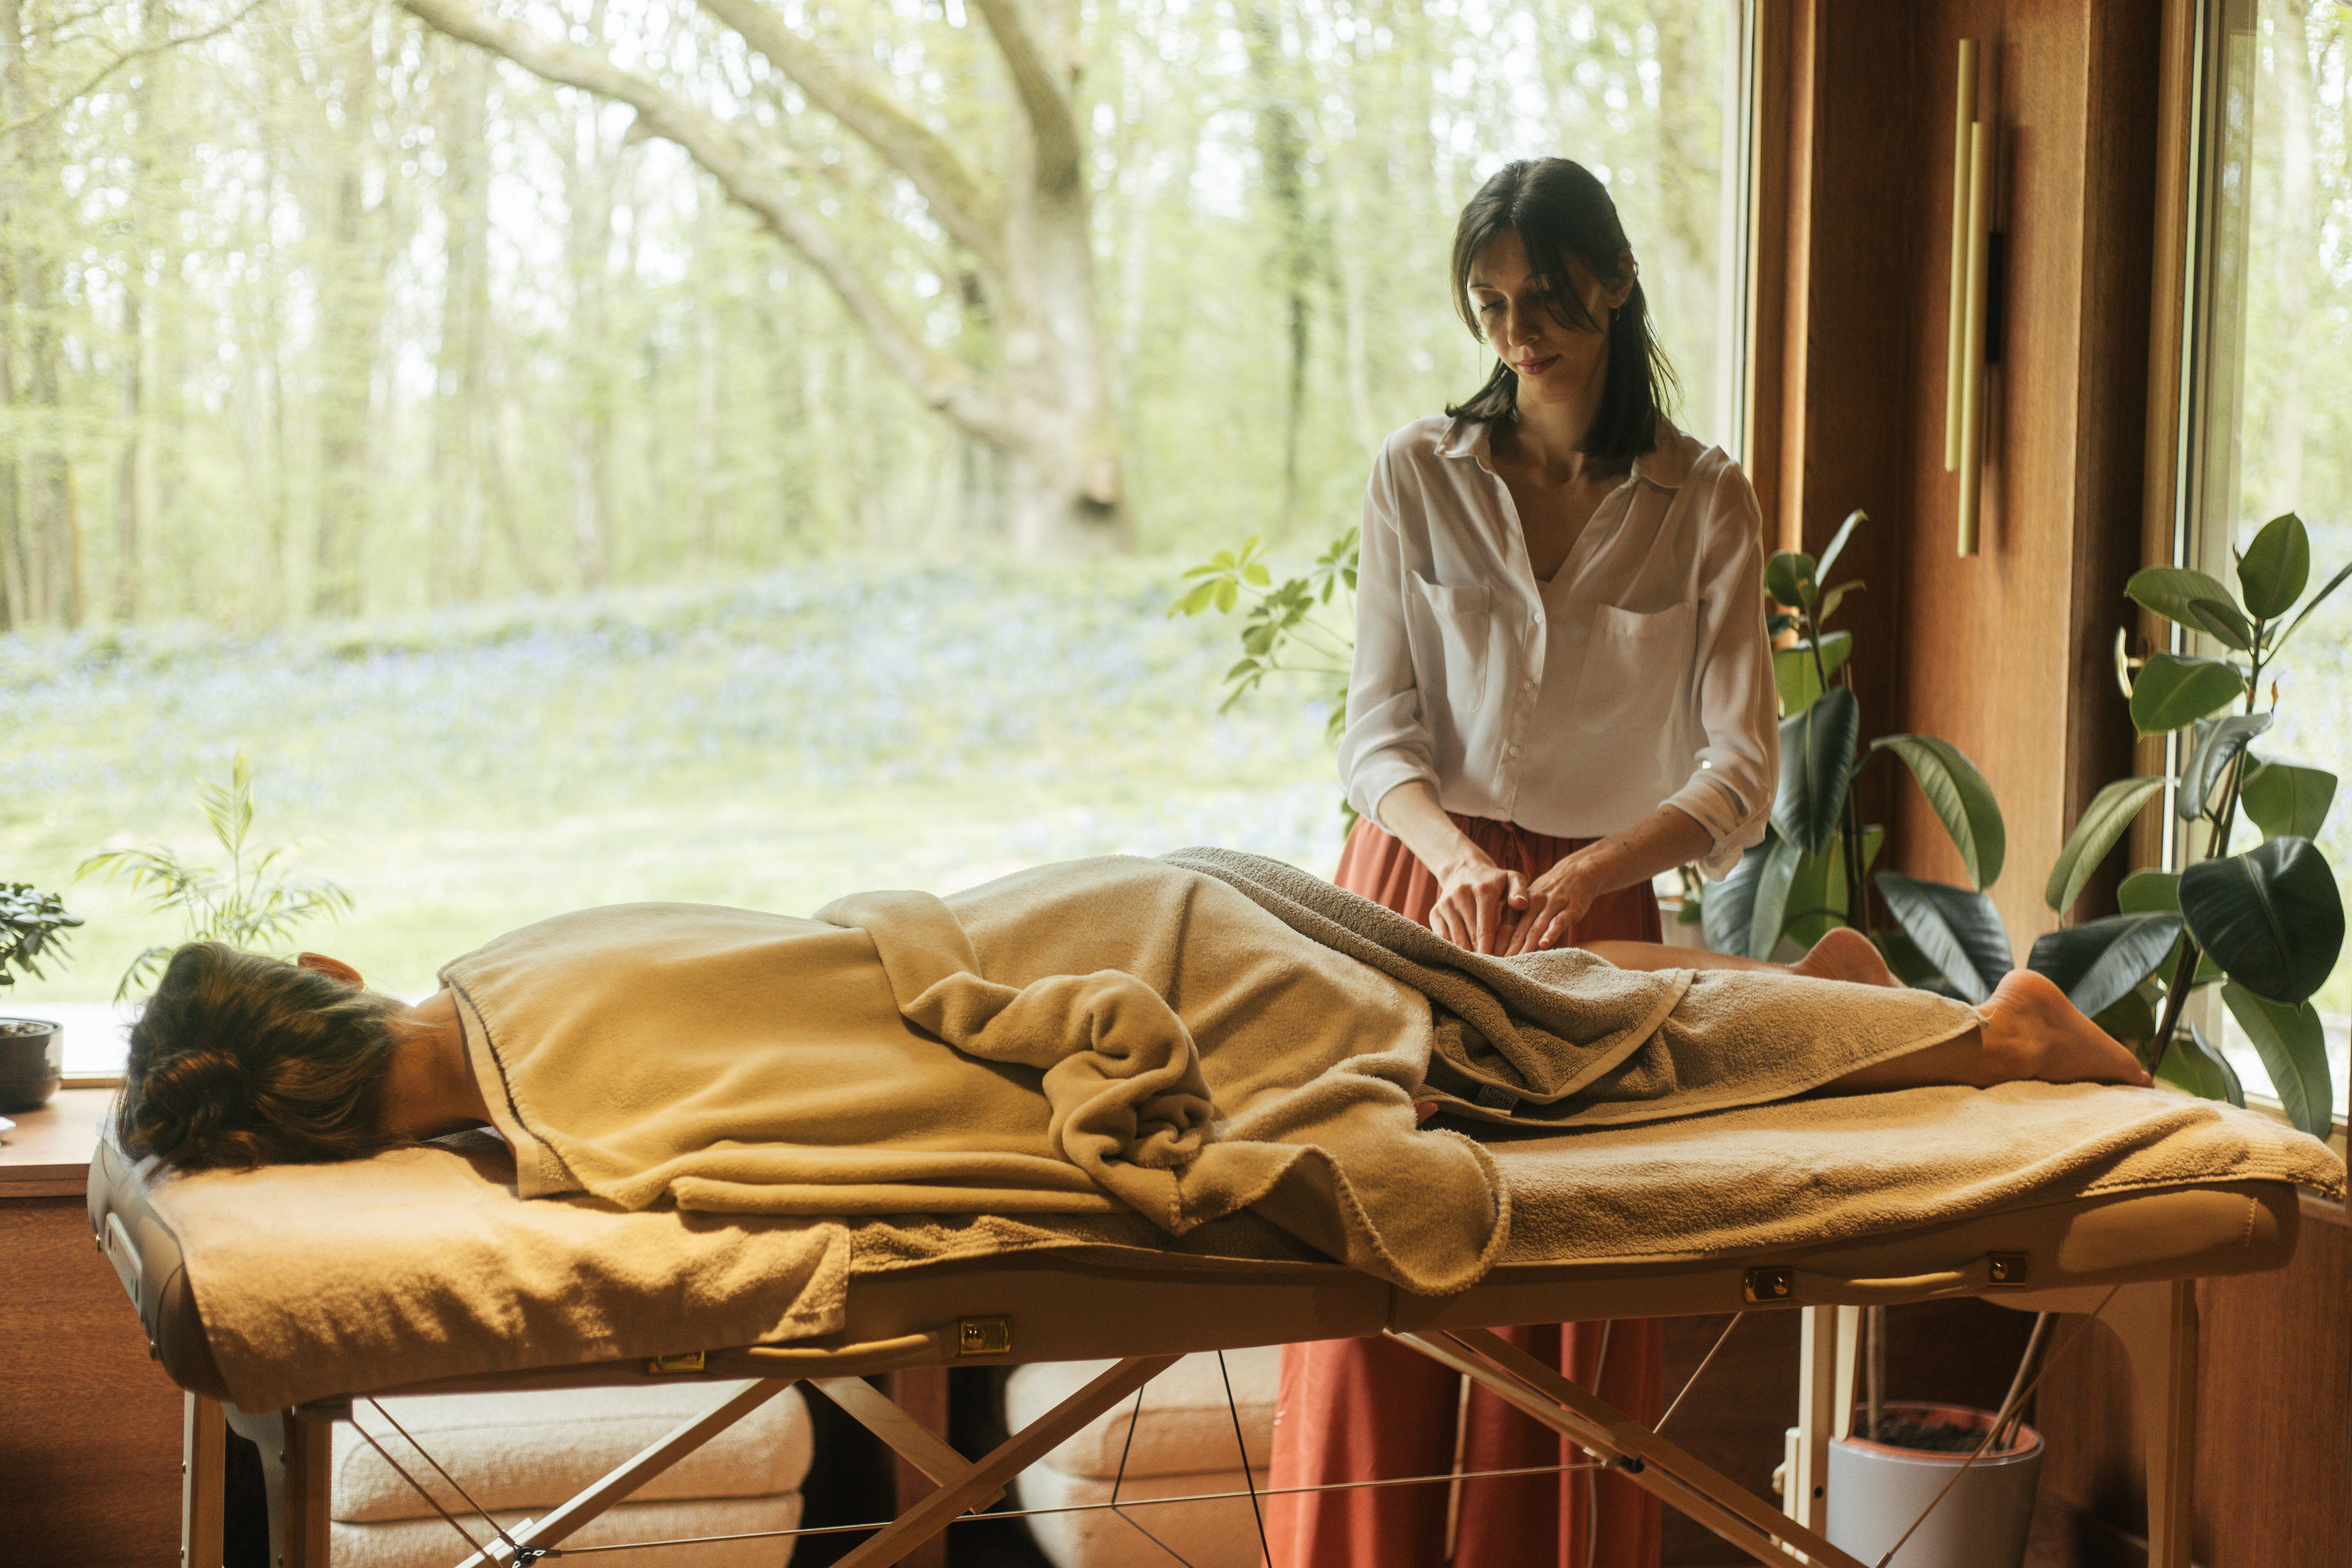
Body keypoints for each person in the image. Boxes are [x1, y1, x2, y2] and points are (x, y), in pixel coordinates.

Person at [1274, 156, 1779, 1568]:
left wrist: (1595, 864)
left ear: (1612, 284)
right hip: (1409, 889)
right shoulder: (1414, 475)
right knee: (1373, 1270)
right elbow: (1374, 733)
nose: (1515, 332)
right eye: (1489, 304)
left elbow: (1738, 769)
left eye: (1543, 298)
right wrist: (1444, 855)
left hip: (1597, 912)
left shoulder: (1704, 502)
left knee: (1550, 1281)